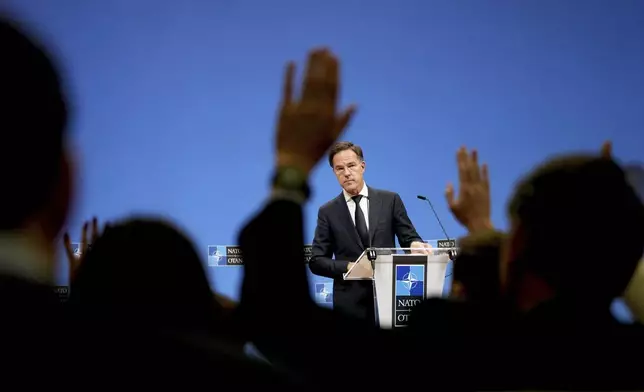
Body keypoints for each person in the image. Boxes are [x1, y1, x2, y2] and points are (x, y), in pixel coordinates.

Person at [309, 141, 430, 321]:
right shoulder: (327, 212)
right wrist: (350, 267)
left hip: (390, 294)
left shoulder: (389, 200)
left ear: (362, 166)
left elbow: (408, 236)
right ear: (334, 172)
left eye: (351, 165)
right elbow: (316, 261)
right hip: (349, 304)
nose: (347, 173)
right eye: (339, 168)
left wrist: (414, 244)